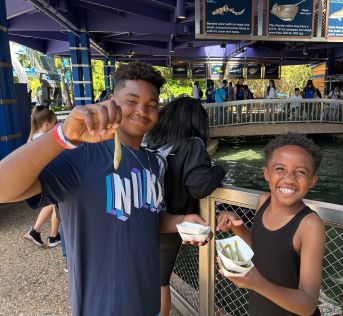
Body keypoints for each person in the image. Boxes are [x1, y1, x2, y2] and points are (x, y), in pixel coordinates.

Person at [0, 62, 211, 316]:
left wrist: (181, 220)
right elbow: (4, 189)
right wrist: (62, 136)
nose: (142, 111)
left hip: (148, 301)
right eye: (131, 101)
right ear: (111, 101)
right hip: (101, 306)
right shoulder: (82, 154)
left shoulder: (154, 162)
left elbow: (147, 217)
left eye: (152, 105)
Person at [217, 134, 325, 316]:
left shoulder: (310, 225)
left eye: (300, 172)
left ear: (312, 181)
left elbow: (307, 304)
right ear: (267, 174)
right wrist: (237, 227)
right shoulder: (263, 201)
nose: (289, 178)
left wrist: (256, 283)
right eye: (280, 169)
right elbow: (262, 247)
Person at [145, 97, 226, 316]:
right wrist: (219, 170)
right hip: (171, 223)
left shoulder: (151, 139)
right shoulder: (192, 144)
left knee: (143, 275)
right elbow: (199, 186)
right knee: (160, 281)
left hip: (143, 215)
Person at [23, 106, 61, 247]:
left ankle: (50, 235)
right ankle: (46, 234)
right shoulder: (46, 141)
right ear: (46, 124)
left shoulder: (32, 138)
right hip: (47, 179)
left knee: (54, 204)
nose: (57, 126)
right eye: (55, 123)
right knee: (56, 202)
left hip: (38, 180)